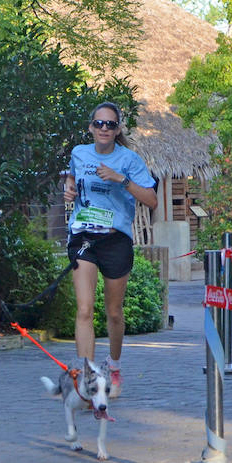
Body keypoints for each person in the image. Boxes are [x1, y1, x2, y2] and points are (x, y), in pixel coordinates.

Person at [61, 102, 158, 394]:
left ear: (117, 130)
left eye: (111, 124)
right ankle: (87, 377)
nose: (104, 129)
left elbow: (152, 200)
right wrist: (68, 188)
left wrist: (121, 180)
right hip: (84, 238)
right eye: (99, 124)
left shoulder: (129, 160)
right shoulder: (79, 152)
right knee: (84, 309)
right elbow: (71, 176)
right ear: (91, 127)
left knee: (114, 312)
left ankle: (113, 366)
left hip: (116, 240)